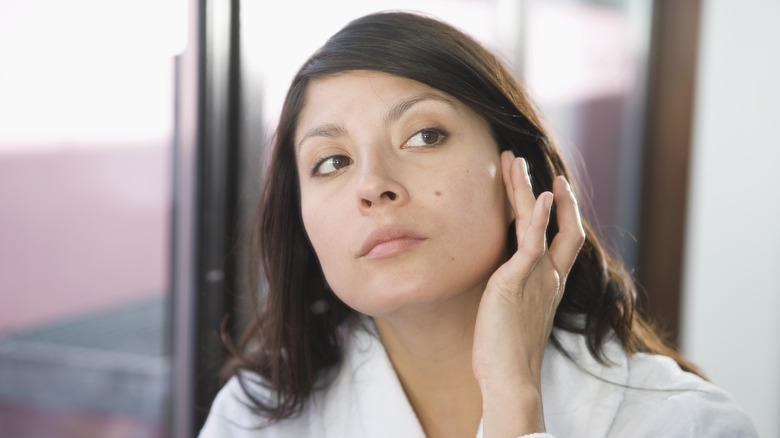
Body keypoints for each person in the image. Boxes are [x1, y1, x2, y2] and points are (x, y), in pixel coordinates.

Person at [199, 11, 757, 438]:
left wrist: (514, 400)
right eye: (333, 162)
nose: (373, 184)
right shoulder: (253, 418)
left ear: (521, 174)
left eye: (425, 136)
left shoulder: (679, 423)